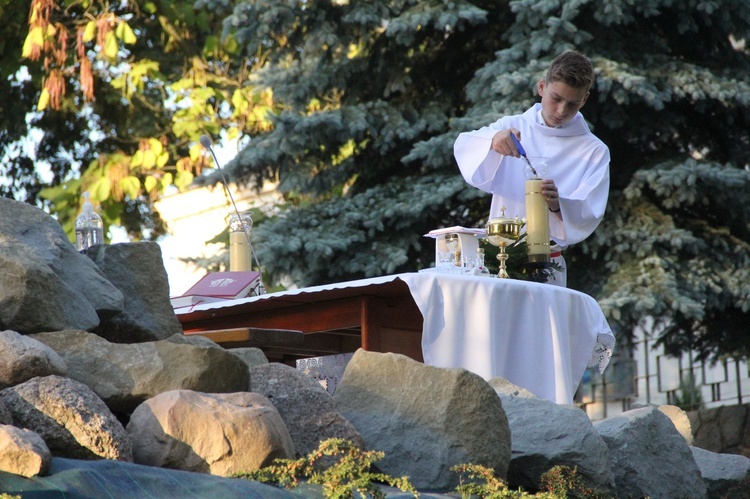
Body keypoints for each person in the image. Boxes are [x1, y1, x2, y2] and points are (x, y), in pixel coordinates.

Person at [453, 50, 610, 287]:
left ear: (584, 100)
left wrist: (559, 204)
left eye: (572, 104)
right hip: (498, 258)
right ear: (541, 87)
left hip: (547, 265)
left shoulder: (593, 151)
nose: (561, 111)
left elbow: (589, 210)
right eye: (556, 98)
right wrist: (494, 141)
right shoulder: (511, 127)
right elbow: (465, 146)